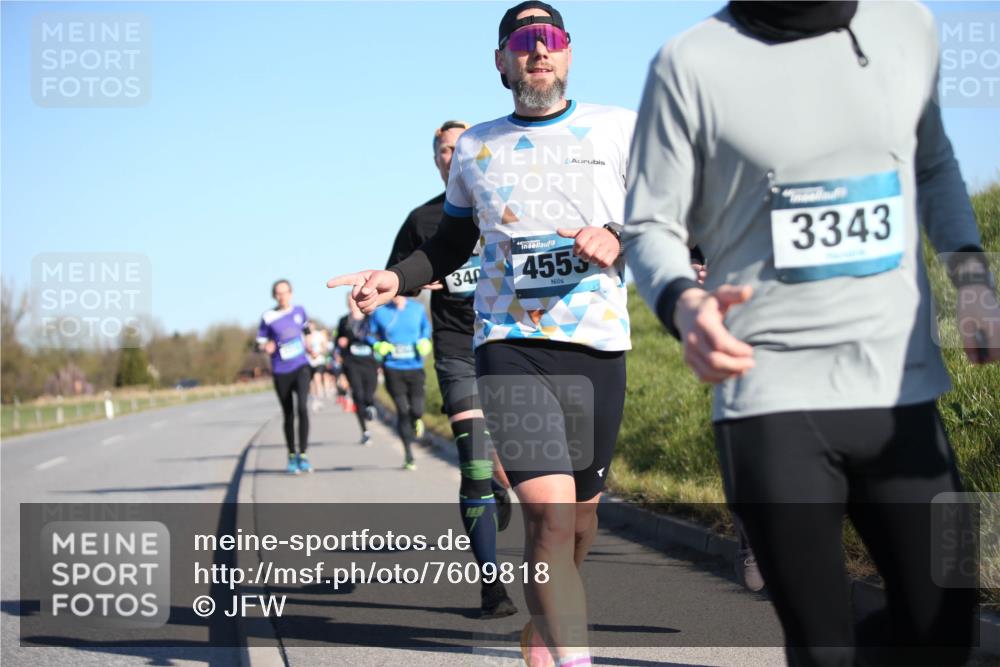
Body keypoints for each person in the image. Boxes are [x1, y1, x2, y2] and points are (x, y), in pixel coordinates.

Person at [624, 1, 994, 664]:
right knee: (823, 646)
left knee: (948, 621)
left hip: (901, 389)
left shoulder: (908, 23)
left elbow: (933, 164)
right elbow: (651, 225)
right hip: (769, 394)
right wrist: (684, 304)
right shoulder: (690, 62)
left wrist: (971, 277)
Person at [329, 4, 634, 664]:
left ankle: (545, 624)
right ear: (501, 61)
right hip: (508, 348)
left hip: (598, 345)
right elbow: (450, 242)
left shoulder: (617, 130)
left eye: (549, 38)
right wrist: (396, 277)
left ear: (570, 52)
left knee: (581, 520)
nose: (538, 50)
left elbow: (666, 216)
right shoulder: (477, 148)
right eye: (522, 41)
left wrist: (618, 235)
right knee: (549, 519)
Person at [385, 119, 518, 619]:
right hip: (458, 349)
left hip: (510, 342)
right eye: (444, 148)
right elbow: (397, 279)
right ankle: (492, 587)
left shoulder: (504, 205)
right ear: (437, 159)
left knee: (514, 463)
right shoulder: (421, 221)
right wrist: (416, 282)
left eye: (461, 145)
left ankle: (504, 483)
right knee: (475, 466)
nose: (452, 154)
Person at [368, 294, 433, 471]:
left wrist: (425, 341)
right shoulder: (380, 313)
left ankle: (416, 419)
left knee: (417, 409)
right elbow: (370, 335)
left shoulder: (417, 309)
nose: (395, 296)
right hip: (393, 368)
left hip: (415, 367)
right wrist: (378, 345)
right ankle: (408, 454)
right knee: (402, 410)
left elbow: (426, 329)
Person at [257, 279, 314, 474]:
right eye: (278, 293)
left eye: (285, 292)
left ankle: (303, 454)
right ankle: (292, 455)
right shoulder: (268, 316)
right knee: (288, 413)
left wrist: (310, 346)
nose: (282, 296)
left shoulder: (299, 311)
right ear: (274, 295)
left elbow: (307, 331)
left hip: (301, 366)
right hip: (281, 370)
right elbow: (260, 342)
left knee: (302, 408)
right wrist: (266, 347)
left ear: (291, 293)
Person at [336, 293, 379, 444]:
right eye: (349, 301)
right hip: (351, 363)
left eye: (354, 300)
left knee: (369, 393)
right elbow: (337, 344)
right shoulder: (343, 321)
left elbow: (379, 337)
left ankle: (370, 405)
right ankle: (365, 431)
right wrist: (341, 343)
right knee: (358, 395)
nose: (352, 303)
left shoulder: (371, 318)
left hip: (369, 362)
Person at [306, 322, 330, 411]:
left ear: (314, 326)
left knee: (317, 378)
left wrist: (318, 353)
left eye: (311, 326)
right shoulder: (304, 335)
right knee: (311, 382)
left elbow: (325, 348)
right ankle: (314, 399)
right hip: (308, 361)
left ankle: (319, 398)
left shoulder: (319, 335)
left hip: (319, 360)